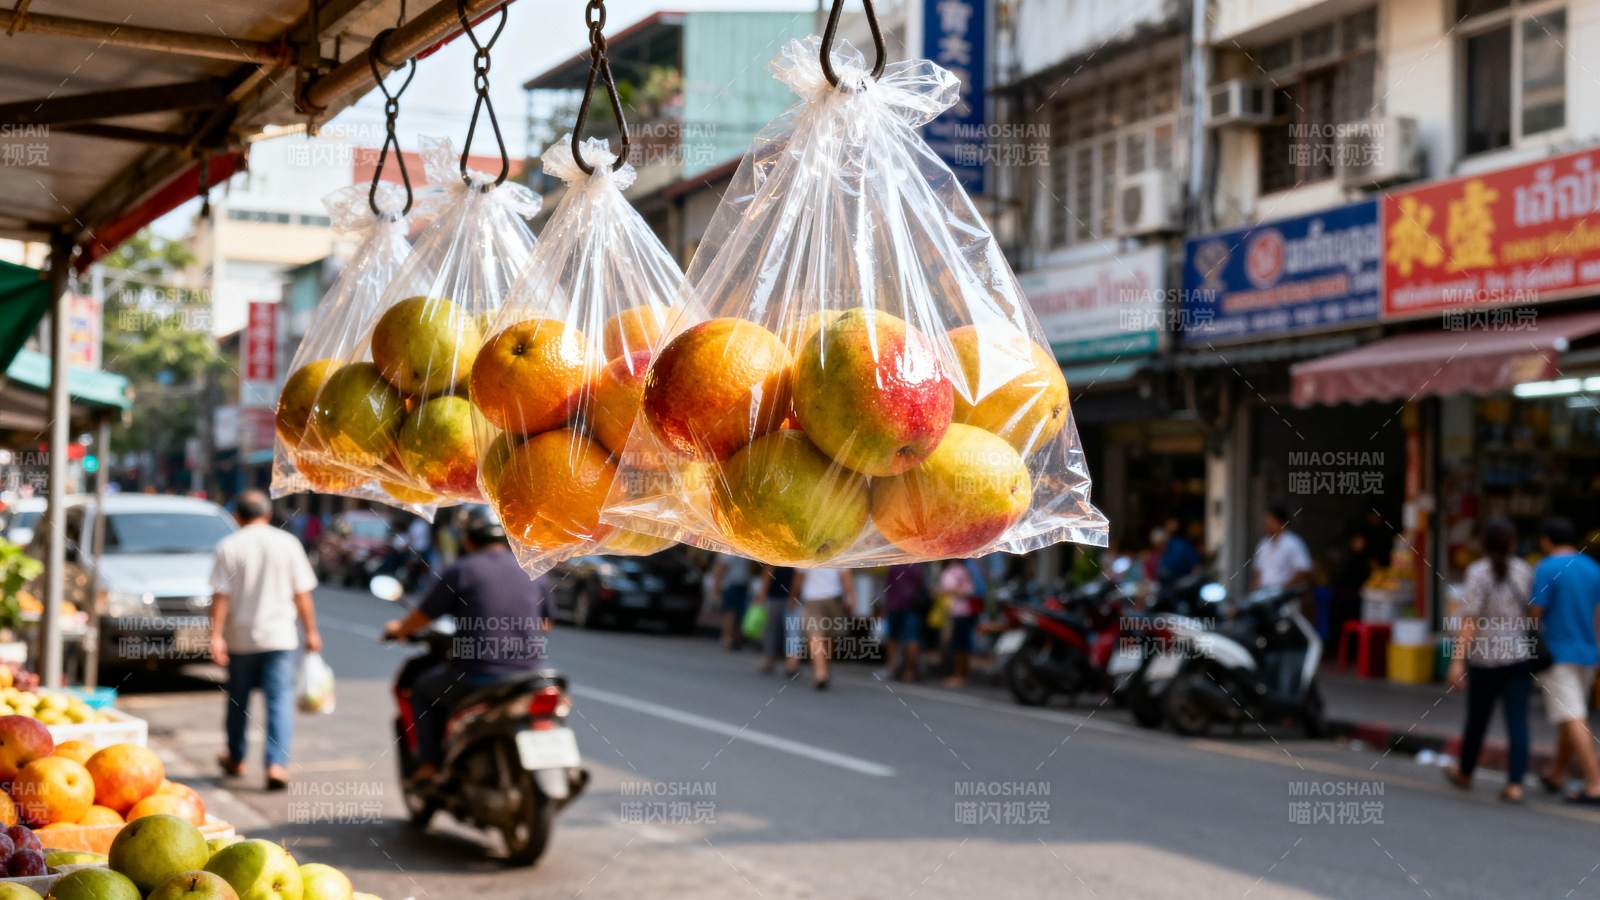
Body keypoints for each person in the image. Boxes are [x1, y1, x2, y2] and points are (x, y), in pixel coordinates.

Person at [383, 508, 552, 784]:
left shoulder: (462, 571)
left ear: (468, 539)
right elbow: (545, 624)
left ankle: (429, 765)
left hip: (478, 674)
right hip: (531, 673)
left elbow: (422, 617)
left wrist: (398, 630)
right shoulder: (534, 572)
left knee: (423, 690)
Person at [208, 490, 322, 791]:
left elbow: (221, 596)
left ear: (237, 517)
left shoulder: (228, 546)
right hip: (280, 638)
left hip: (241, 638)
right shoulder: (288, 543)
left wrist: (216, 636)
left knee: (237, 702)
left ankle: (236, 757)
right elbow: (302, 595)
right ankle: (276, 765)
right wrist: (311, 631)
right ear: (267, 515)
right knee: (279, 701)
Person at [1444, 517, 1532, 802]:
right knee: (1518, 721)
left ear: (1483, 543)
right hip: (1518, 654)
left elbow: (1469, 620)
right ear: (1512, 543)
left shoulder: (1477, 573)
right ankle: (1515, 784)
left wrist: (1457, 660)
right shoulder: (1524, 571)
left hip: (1485, 658)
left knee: (1477, 720)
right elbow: (1533, 613)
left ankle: (1466, 772)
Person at [1529, 517, 1600, 804]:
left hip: (1558, 654)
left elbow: (1535, 613)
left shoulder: (1547, 568)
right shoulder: (1594, 568)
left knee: (1572, 717)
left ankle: (1594, 783)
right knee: (1571, 716)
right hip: (1588, 652)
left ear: (1547, 540)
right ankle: (1556, 773)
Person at [792, 567, 853, 690]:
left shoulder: (808, 552)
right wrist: (851, 596)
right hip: (826, 598)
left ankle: (822, 669)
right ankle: (821, 673)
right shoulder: (837, 550)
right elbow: (846, 575)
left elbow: (799, 577)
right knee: (818, 636)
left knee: (823, 637)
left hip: (819, 598)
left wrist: (793, 595)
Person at [939, 559, 983, 689]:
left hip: (959, 612)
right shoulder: (966, 570)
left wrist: (945, 591)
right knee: (964, 644)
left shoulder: (955, 571)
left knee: (958, 645)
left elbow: (950, 589)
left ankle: (959, 675)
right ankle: (963, 674)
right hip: (966, 612)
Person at [880, 564, 929, 682]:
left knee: (893, 638)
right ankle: (909, 671)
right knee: (911, 638)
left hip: (894, 605)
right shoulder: (918, 565)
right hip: (912, 605)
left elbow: (888, 585)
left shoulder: (894, 563)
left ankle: (891, 668)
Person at [1252, 505, 1312, 590]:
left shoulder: (1293, 543)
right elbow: (1257, 571)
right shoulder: (1263, 544)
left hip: (1285, 597)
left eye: (1270, 522)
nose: (1266, 525)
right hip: (1264, 596)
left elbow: (1304, 569)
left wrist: (1284, 588)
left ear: (1280, 522)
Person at [753, 565, 796, 674]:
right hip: (777, 597)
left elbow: (767, 572)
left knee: (783, 631)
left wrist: (762, 593)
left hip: (784, 598)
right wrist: (763, 593)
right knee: (784, 630)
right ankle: (773, 660)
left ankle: (782, 661)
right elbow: (768, 572)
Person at [710, 554, 754, 651]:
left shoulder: (733, 549)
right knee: (732, 612)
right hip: (733, 584)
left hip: (737, 584)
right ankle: (728, 638)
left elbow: (721, 567)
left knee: (733, 612)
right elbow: (722, 567)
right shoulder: (731, 550)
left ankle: (731, 638)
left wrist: (716, 584)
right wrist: (717, 584)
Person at [1156, 517, 1201, 584]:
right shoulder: (1166, 547)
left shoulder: (1182, 545)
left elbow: (1196, 567)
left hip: (1183, 583)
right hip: (1168, 584)